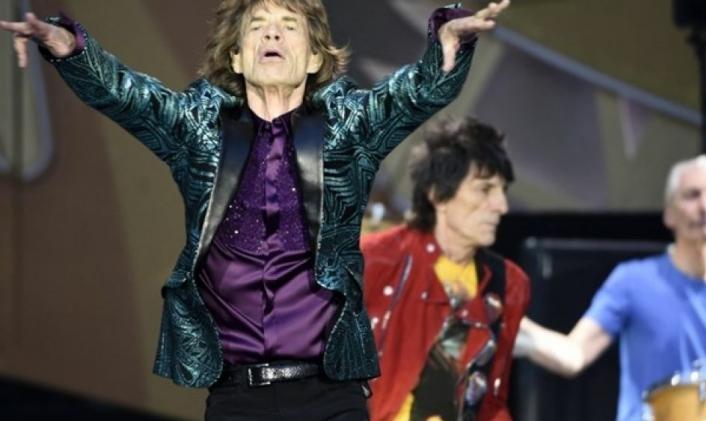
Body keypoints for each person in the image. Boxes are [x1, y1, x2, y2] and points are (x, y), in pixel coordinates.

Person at [1, 0, 511, 419]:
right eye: (257, 26)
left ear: (314, 60)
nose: (272, 33)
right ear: (237, 58)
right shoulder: (198, 132)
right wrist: (69, 48)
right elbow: (129, 96)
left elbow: (414, 94)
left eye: (289, 26)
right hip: (236, 398)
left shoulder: (347, 128)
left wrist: (448, 41)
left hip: (331, 395)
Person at [514, 155, 706, 421]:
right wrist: (513, 325)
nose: (704, 206)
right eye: (692, 195)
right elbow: (575, 353)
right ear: (669, 214)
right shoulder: (631, 281)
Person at [361, 116, 530, 421]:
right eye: (485, 189)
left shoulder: (509, 283)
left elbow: (491, 402)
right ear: (438, 194)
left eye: (502, 190)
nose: (501, 206)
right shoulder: (372, 259)